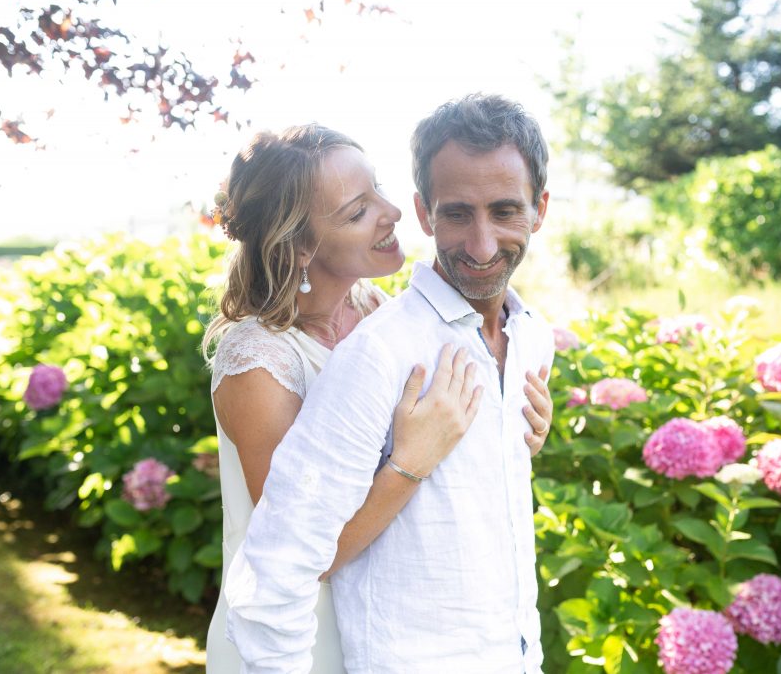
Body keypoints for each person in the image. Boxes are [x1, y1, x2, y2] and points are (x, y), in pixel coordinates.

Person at [202, 124, 553, 673]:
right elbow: (302, 552)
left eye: (378, 189)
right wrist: (412, 461)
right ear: (299, 244)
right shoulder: (259, 363)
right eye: (357, 210)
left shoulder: (379, 315)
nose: (392, 211)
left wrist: (511, 425)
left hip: (387, 620)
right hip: (303, 632)